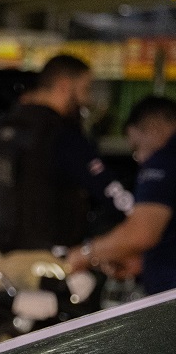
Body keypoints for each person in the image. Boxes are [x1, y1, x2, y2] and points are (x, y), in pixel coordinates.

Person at [0, 54, 133, 291]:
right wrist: (141, 216)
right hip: (46, 267)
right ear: (63, 86)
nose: (86, 100)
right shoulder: (60, 135)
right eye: (84, 89)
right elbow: (112, 194)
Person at [68, 96, 176, 294]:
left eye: (136, 148)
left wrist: (85, 253)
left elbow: (141, 233)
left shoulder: (165, 161)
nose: (140, 159)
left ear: (154, 128)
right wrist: (143, 262)